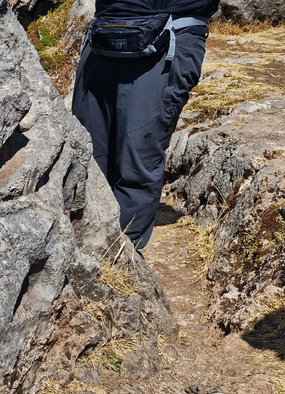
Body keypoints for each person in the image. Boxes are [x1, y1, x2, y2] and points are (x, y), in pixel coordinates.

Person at [72, 0, 220, 249]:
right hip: (104, 33)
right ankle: (81, 249)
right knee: (85, 155)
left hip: (170, 34)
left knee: (137, 158)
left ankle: (121, 260)